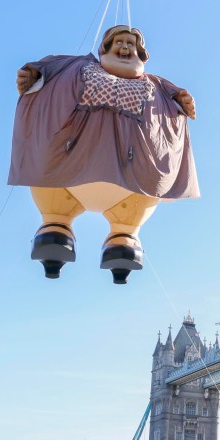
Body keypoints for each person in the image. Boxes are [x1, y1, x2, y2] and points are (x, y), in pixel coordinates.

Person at [11, 25, 198, 283]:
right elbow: (47, 71)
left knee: (135, 203)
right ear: (105, 48)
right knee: (54, 191)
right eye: (120, 42)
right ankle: (56, 228)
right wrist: (35, 74)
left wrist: (181, 101)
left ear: (141, 53)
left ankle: (123, 238)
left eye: (132, 45)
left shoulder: (155, 84)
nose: (125, 48)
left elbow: (176, 98)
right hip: (70, 166)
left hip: (129, 178)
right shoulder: (77, 67)